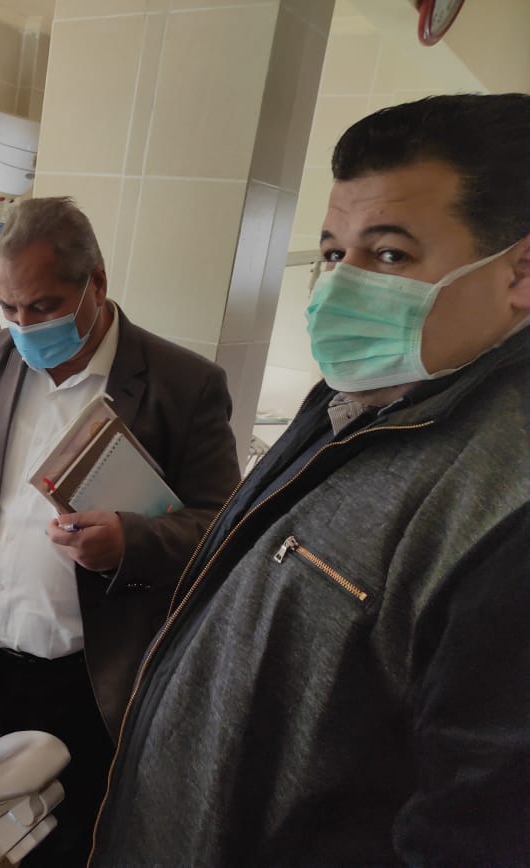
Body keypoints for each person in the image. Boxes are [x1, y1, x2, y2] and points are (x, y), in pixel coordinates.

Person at [89, 94, 530, 864]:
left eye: (388, 256)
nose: (338, 287)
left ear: (519, 272)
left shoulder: (500, 511)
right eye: (332, 253)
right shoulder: (353, 399)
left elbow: (472, 829)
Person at [0, 196, 241, 862]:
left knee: (63, 846)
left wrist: (129, 543)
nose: (23, 326)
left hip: (89, 685)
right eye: (9, 307)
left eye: (43, 307)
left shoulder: (181, 386)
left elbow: (222, 532)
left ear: (96, 283)